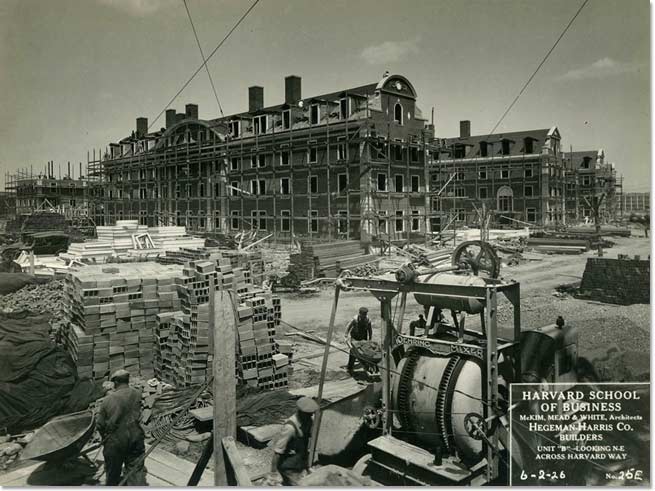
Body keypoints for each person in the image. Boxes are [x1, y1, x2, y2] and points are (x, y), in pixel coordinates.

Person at [96, 369, 147, 486]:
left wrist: (105, 438)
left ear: (116, 382)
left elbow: (100, 424)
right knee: (135, 472)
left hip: (115, 441)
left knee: (113, 474)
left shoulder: (107, 400)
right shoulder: (137, 394)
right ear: (127, 380)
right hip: (136, 437)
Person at [270, 397, 319, 486]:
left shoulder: (308, 421)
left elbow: (308, 438)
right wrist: (273, 472)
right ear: (301, 413)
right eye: (308, 414)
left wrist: (307, 464)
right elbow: (277, 452)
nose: (311, 416)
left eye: (311, 414)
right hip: (289, 465)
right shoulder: (290, 428)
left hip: (300, 460)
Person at [344, 307, 373, 373]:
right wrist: (346, 335)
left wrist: (370, 339)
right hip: (355, 337)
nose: (364, 316)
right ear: (359, 313)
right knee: (353, 352)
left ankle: (366, 367)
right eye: (362, 314)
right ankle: (350, 367)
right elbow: (348, 327)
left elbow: (370, 330)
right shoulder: (355, 319)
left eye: (365, 315)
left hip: (363, 337)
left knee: (365, 352)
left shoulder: (368, 320)